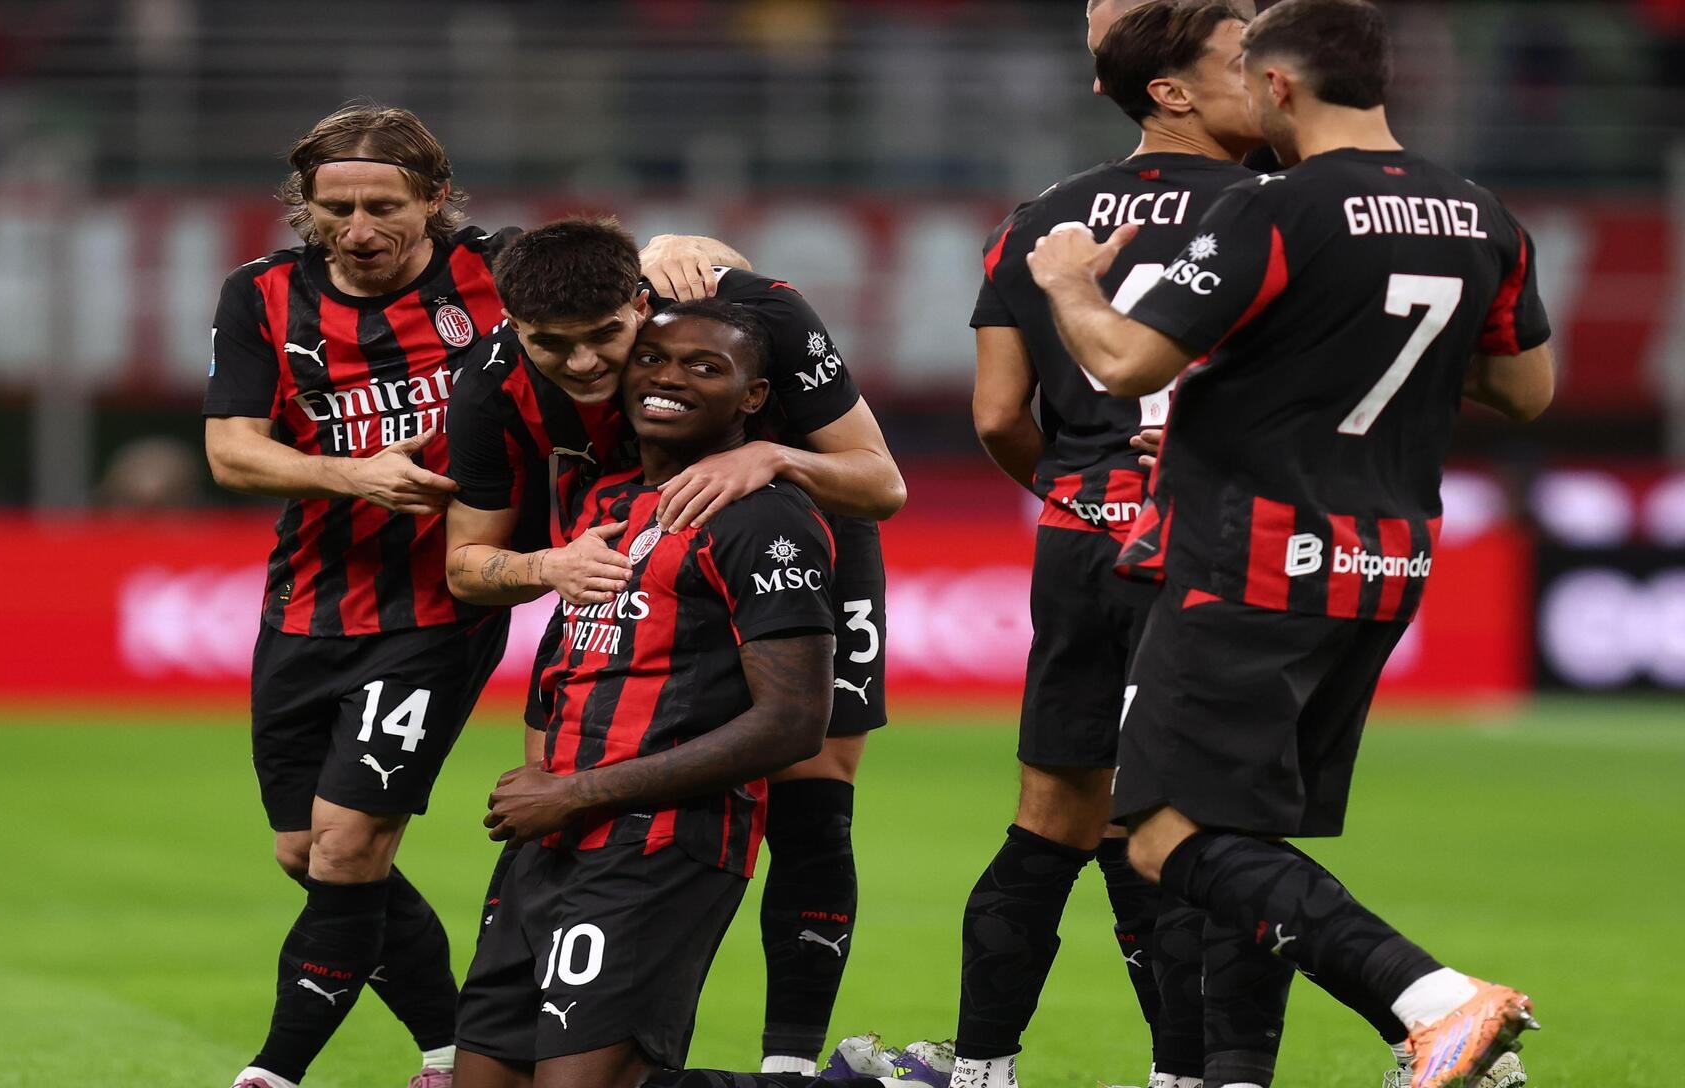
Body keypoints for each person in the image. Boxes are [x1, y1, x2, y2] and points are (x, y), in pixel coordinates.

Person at [1024, 3, 1554, 1087]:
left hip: (1249, 560)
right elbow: (1525, 389)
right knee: (1246, 834)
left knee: (1165, 833)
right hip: (1384, 565)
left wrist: (1070, 279)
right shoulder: (1481, 214)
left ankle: (1434, 1000)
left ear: (1276, 89)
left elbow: (1123, 362)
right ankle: (1271, 1064)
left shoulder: (1278, 209)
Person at [201, 103, 738, 1088]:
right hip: (309, 597)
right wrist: (353, 473)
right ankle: (458, 1047)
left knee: (352, 843)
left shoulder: (494, 274)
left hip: (442, 603)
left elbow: (604, 279)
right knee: (305, 851)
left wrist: (684, 241)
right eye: (335, 210)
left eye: (383, 206)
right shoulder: (261, 295)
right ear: (305, 209)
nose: (358, 230)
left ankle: (275, 1069)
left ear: (436, 199)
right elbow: (230, 448)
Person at [444, 216, 906, 1075]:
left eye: (606, 339)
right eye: (554, 345)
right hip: (620, 540)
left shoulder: (751, 313)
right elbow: (465, 567)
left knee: (809, 786)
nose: (583, 365)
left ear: (643, 303)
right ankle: (540, 1007)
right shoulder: (493, 384)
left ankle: (792, 1062)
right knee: (571, 750)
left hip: (793, 521)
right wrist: (546, 563)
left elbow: (881, 483)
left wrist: (771, 456)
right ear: (514, 328)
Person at [963, 4, 1260, 1087]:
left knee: (1051, 815)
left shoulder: (1037, 219)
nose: (1268, 80)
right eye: (1244, 65)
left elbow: (999, 416)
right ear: (1172, 90)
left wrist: (1086, 495)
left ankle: (983, 1064)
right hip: (1217, 547)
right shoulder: (1276, 210)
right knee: (1209, 829)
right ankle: (1191, 1072)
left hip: (1082, 540)